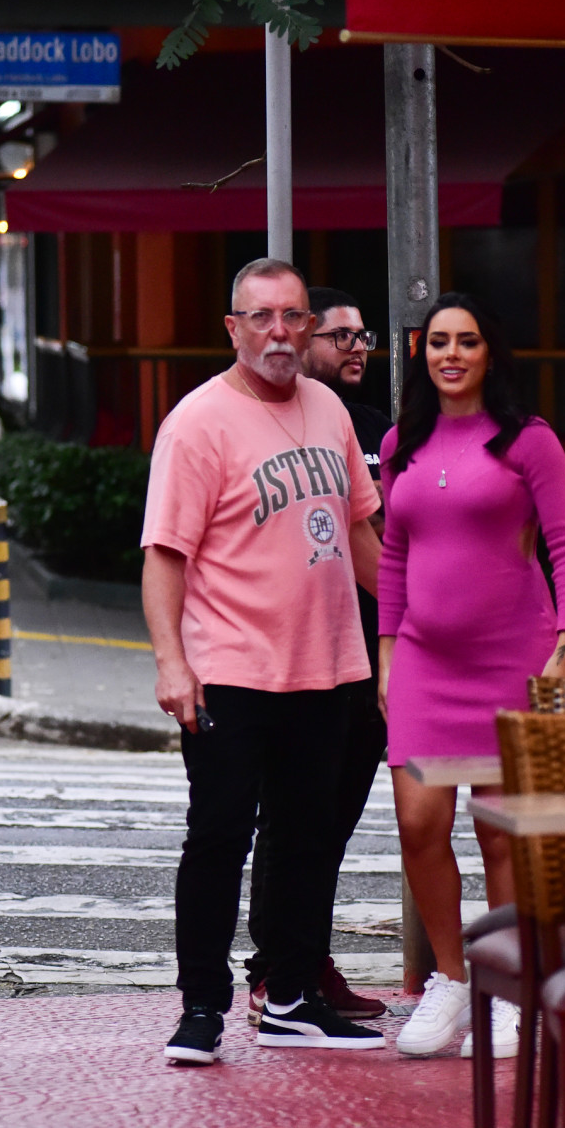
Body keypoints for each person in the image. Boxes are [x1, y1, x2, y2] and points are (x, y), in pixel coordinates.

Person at [143, 257, 388, 1065]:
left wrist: (417, 615)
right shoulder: (198, 422)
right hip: (230, 671)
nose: (279, 332)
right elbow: (164, 556)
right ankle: (201, 1008)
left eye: (292, 317)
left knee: (308, 839)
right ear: (234, 328)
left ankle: (290, 997)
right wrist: (172, 664)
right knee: (219, 838)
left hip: (325, 665)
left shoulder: (329, 409)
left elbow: (359, 533)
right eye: (261, 317)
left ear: (308, 326)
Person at [377, 292, 565, 1059]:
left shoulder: (528, 441)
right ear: (423, 354)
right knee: (418, 825)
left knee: (501, 837)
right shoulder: (401, 443)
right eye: (439, 342)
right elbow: (394, 554)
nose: (452, 354)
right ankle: (453, 979)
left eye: (467, 341)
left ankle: (512, 990)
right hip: (424, 663)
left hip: (512, 663)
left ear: (488, 352)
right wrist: (386, 653)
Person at [243, 286, 391, 1024]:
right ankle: (275, 968)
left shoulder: (374, 427)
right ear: (303, 341)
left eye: (364, 336)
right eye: (341, 336)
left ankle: (307, 959)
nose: (357, 348)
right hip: (296, 652)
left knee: (332, 825)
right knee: (290, 819)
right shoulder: (274, 421)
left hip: (370, 652)